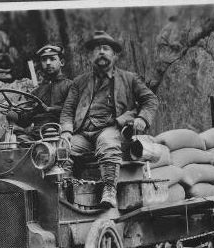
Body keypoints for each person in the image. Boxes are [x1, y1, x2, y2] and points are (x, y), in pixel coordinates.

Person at [60, 31, 159, 208]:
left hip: (113, 129)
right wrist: (66, 131)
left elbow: (150, 100)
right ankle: (64, 191)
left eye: (106, 48)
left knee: (107, 142)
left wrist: (143, 118)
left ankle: (109, 190)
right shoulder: (79, 82)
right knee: (62, 150)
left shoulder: (129, 79)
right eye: (97, 49)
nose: (101, 52)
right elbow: (67, 110)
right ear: (91, 55)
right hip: (83, 133)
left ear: (114, 55)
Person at [6, 44, 72, 142]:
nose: (48, 63)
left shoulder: (70, 86)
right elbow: (27, 120)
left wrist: (50, 109)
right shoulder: (37, 91)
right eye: (44, 60)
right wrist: (17, 113)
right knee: (13, 143)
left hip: (58, 133)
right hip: (36, 134)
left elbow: (74, 112)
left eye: (52, 59)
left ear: (61, 62)